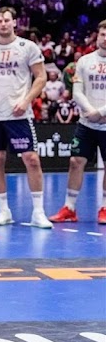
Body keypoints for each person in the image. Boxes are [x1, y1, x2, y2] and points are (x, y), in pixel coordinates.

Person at [0, 7, 52, 228]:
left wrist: (26, 100)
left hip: (19, 114)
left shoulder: (28, 47)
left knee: (31, 159)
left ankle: (38, 212)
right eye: (0, 20)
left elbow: (41, 77)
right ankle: (3, 210)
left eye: (7, 20)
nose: (3, 23)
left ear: (14, 22)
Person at [50, 20, 106, 224]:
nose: (105, 38)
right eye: (103, 34)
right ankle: (70, 208)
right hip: (86, 123)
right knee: (75, 162)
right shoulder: (84, 61)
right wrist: (90, 111)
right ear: (97, 36)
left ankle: (105, 208)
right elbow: (77, 91)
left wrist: (100, 112)